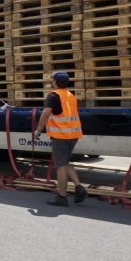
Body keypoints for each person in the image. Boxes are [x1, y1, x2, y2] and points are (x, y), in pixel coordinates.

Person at [34, 70, 87, 206]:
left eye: (52, 80)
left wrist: (38, 131)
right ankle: (79, 187)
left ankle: (62, 197)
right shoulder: (71, 95)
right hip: (73, 135)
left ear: (55, 82)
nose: (52, 82)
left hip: (61, 135)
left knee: (60, 166)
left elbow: (45, 114)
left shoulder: (53, 96)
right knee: (65, 161)